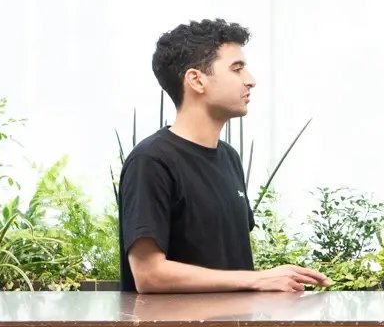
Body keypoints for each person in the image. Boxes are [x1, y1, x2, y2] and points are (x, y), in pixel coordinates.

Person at [118, 19, 329, 293]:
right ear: (196, 80)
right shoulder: (151, 161)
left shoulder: (229, 157)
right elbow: (149, 275)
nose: (250, 80)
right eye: (237, 69)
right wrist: (257, 279)